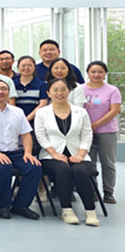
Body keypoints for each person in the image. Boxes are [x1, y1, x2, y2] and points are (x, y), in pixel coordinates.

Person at [0, 79, 42, 220]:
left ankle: (21, 205)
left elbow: (26, 134)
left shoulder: (18, 112)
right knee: (4, 166)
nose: (0, 92)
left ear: (8, 93)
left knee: (34, 168)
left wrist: (28, 153)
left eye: (3, 89)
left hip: (14, 152)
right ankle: (4, 205)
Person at [34, 78, 99, 226]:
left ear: (68, 92)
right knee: (63, 169)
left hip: (78, 153)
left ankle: (90, 212)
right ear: (48, 93)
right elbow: (41, 136)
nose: (60, 93)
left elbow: (87, 135)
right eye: (55, 90)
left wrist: (81, 154)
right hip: (50, 155)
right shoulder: (42, 112)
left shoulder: (81, 112)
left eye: (63, 89)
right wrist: (54, 154)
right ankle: (67, 210)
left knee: (80, 171)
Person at [82, 61, 121, 205]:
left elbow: (114, 111)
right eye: (93, 72)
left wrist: (96, 124)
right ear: (88, 73)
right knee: (89, 163)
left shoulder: (112, 90)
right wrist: (87, 127)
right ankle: (92, 191)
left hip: (107, 131)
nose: (96, 75)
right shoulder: (81, 89)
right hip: (86, 132)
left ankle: (108, 193)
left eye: (100, 72)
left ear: (105, 74)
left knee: (108, 163)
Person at [14, 56, 48, 123]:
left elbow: (43, 104)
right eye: (23, 65)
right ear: (18, 67)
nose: (26, 68)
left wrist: (26, 120)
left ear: (35, 67)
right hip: (16, 121)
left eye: (29, 65)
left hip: (35, 121)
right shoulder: (12, 84)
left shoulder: (42, 85)